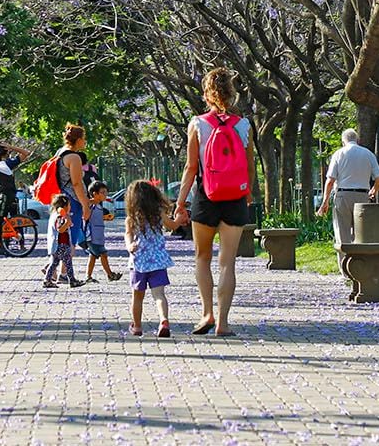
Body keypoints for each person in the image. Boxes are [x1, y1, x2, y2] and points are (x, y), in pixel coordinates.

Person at [172, 67, 256, 337]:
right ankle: (223, 322)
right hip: (235, 198)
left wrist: (181, 202)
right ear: (232, 94)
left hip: (206, 197)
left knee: (202, 257)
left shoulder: (197, 124)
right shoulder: (244, 126)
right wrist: (248, 192)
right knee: (227, 262)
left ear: (206, 94)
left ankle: (206, 312)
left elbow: (190, 166)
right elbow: (251, 167)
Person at [124, 179, 176, 337]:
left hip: (139, 261)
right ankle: (163, 320)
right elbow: (172, 226)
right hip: (158, 261)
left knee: (137, 296)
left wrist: (130, 245)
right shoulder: (159, 213)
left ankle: (137, 326)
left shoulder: (132, 218)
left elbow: (128, 235)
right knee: (159, 294)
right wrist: (180, 219)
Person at [317, 128, 379, 247]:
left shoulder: (338, 154)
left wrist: (325, 201)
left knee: (342, 232)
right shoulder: (368, 154)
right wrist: (374, 190)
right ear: (357, 140)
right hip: (363, 196)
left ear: (343, 141)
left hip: (343, 195)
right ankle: (360, 262)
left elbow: (330, 180)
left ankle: (345, 263)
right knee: (360, 233)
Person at [46, 125, 94, 251]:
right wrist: (85, 205)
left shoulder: (60, 153)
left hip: (61, 197)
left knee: (60, 234)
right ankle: (62, 270)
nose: (85, 141)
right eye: (84, 138)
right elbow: (76, 183)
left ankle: (54, 267)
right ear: (78, 140)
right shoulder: (74, 158)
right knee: (70, 238)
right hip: (72, 200)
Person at [83, 182, 122, 282]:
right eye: (103, 192)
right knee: (103, 254)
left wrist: (105, 217)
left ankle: (88, 276)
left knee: (93, 255)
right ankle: (110, 274)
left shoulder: (98, 206)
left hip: (98, 235)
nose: (105, 194)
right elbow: (86, 218)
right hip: (92, 236)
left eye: (106, 192)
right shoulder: (90, 205)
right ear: (95, 194)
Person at [42, 193, 82, 288]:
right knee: (66, 263)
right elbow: (60, 229)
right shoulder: (59, 216)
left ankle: (47, 280)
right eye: (69, 205)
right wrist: (67, 222)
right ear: (64, 206)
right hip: (61, 244)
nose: (70, 207)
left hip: (59, 244)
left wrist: (68, 220)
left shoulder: (57, 215)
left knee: (57, 263)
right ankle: (72, 280)